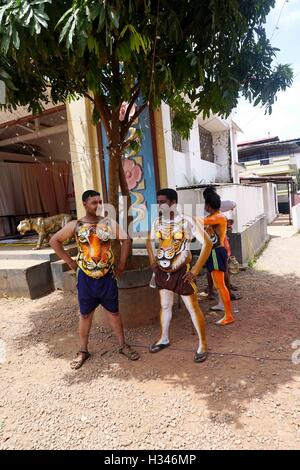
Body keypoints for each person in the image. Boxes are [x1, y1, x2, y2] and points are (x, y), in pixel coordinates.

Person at [50, 189, 140, 369]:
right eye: (94, 203)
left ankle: (122, 345)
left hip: (107, 277)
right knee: (85, 315)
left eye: (100, 202)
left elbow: (126, 239)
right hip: (86, 278)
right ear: (84, 204)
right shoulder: (75, 225)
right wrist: (70, 262)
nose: (98, 206)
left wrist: (121, 264)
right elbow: (54, 241)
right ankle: (83, 350)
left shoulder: (108, 223)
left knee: (113, 312)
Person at [146, 188, 213, 363]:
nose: (159, 205)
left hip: (183, 272)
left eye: (162, 202)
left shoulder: (186, 221)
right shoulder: (157, 222)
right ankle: (164, 338)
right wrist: (152, 260)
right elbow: (149, 240)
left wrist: (196, 270)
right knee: (165, 306)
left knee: (193, 308)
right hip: (162, 272)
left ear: (173, 203)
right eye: (158, 201)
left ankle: (203, 345)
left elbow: (207, 244)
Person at [200, 186, 240, 306]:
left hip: (215, 249)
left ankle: (223, 301)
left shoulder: (213, 216)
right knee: (220, 271)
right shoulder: (214, 215)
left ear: (208, 204)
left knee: (219, 273)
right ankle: (223, 296)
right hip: (215, 248)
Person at [202, 192, 235, 325]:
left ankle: (229, 315)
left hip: (216, 252)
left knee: (220, 285)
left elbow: (200, 221)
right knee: (219, 285)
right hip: (212, 252)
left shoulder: (218, 217)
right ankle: (226, 312)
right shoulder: (212, 216)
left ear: (208, 205)